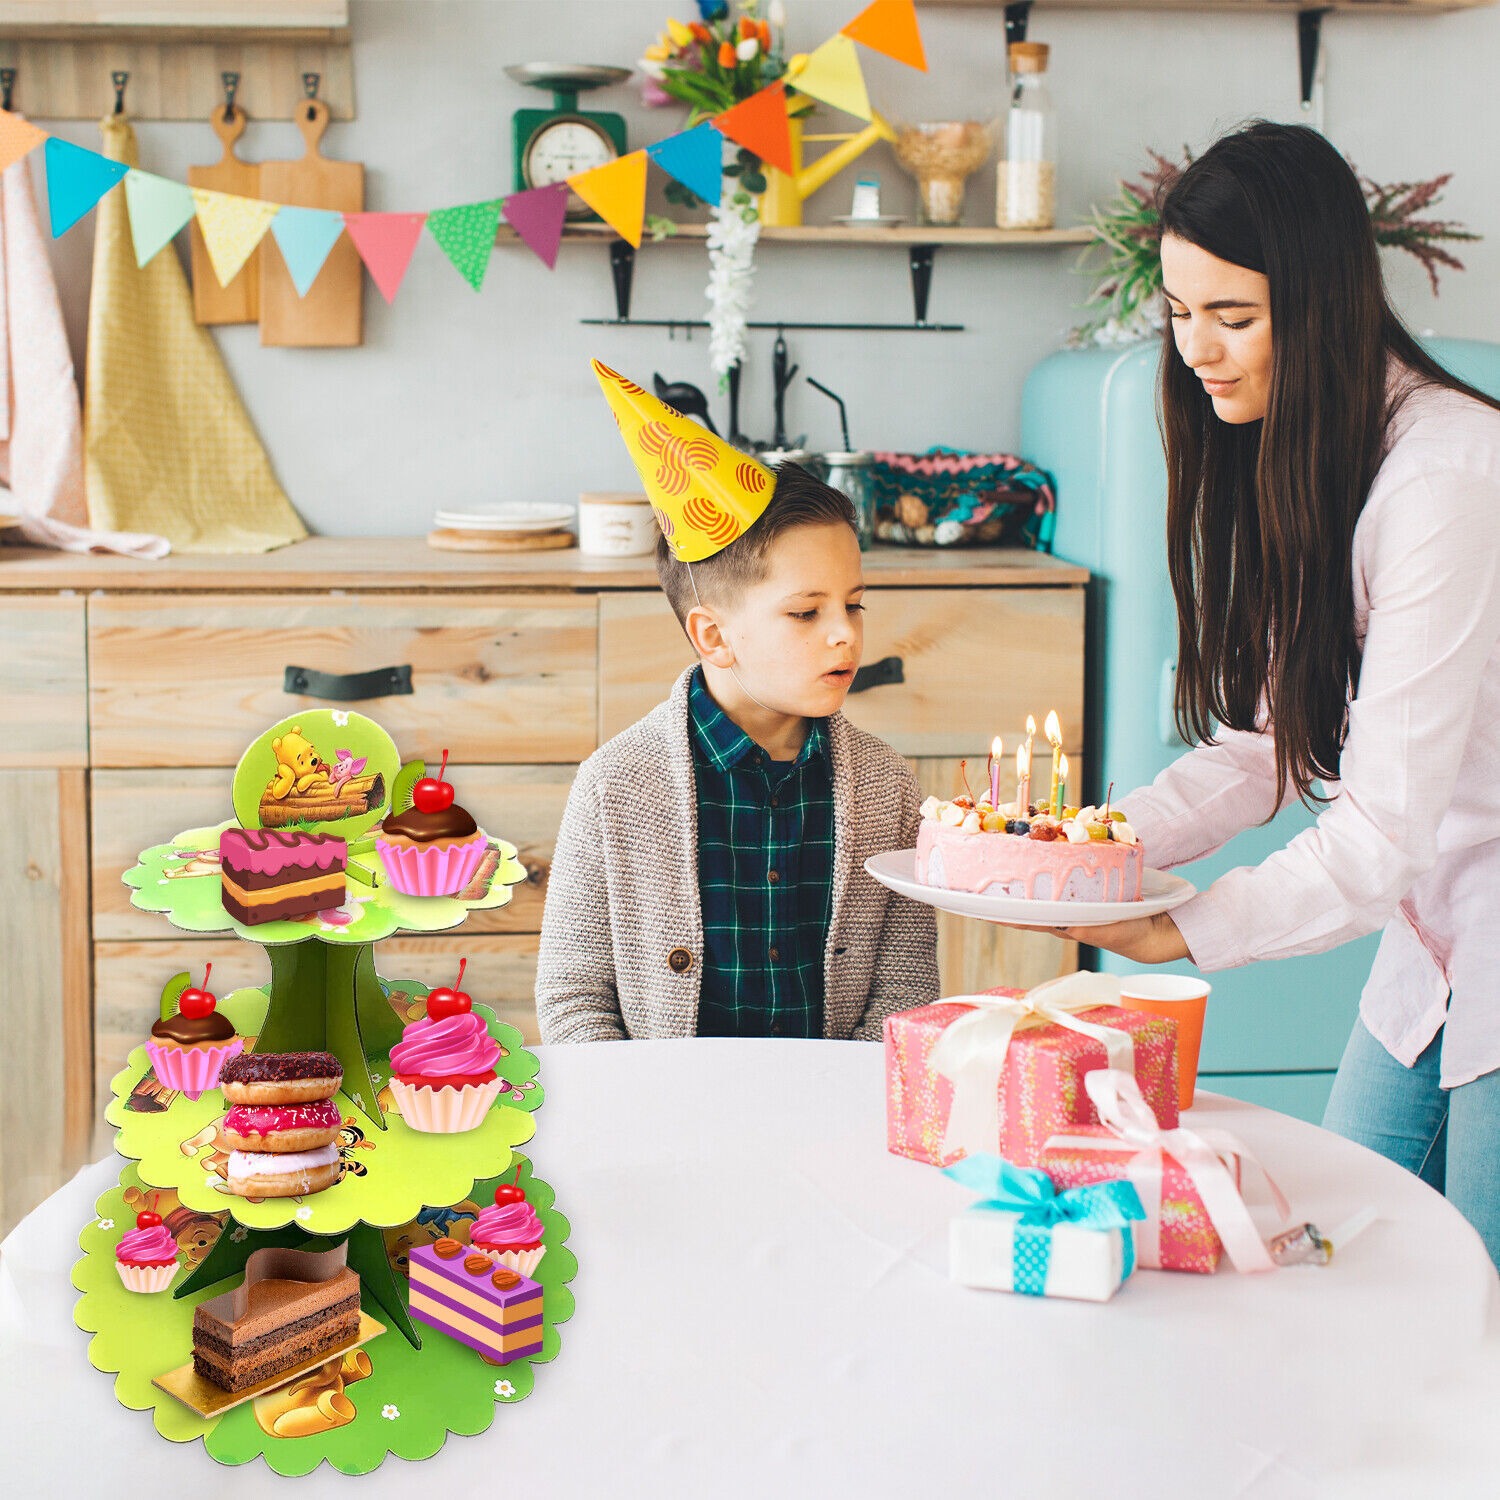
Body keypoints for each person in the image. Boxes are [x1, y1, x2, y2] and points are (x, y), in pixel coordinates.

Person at [1056, 122, 1500, 1263]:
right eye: (1179, 313)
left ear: (1321, 302)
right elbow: (1265, 746)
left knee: (1461, 1311)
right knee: (1346, 1260)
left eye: (1234, 318)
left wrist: (1191, 929)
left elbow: (1380, 828)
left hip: (1474, 916)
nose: (1198, 350)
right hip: (1438, 939)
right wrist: (1083, 851)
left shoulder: (1446, 476)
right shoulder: (1306, 449)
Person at [535, 363, 938, 1043]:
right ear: (714, 636)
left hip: (830, 1119)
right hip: (662, 1121)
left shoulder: (887, 789)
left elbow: (905, 990)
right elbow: (574, 995)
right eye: (806, 613)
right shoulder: (614, 786)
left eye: (854, 604)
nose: (845, 632)